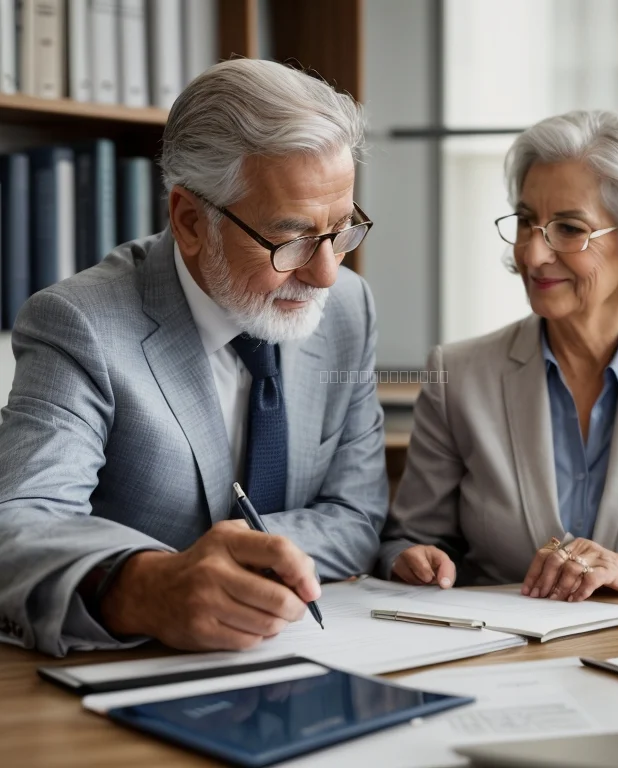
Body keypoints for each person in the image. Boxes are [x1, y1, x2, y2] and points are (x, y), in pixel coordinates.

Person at [0, 59, 388, 657]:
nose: (327, 273)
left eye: (341, 229)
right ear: (189, 220)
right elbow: (19, 527)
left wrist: (222, 560)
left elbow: (356, 516)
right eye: (292, 240)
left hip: (308, 653)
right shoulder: (81, 324)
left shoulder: (348, 309)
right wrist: (150, 585)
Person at [379, 109, 618, 602]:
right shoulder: (457, 374)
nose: (532, 254)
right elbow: (410, 538)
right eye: (526, 222)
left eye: (567, 228)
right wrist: (412, 559)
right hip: (497, 661)